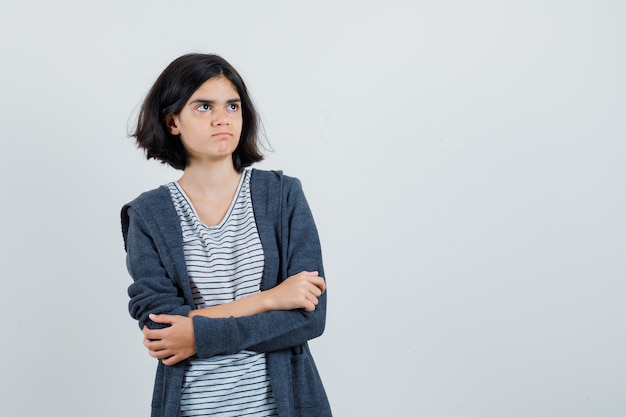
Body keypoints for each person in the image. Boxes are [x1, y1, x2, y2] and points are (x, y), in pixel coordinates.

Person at [120, 53, 332, 417]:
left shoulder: (282, 196)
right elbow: (164, 332)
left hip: (285, 407)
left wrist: (197, 333)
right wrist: (270, 300)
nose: (222, 118)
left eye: (232, 106)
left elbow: (309, 318)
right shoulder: (147, 215)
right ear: (173, 121)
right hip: (191, 408)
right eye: (203, 107)